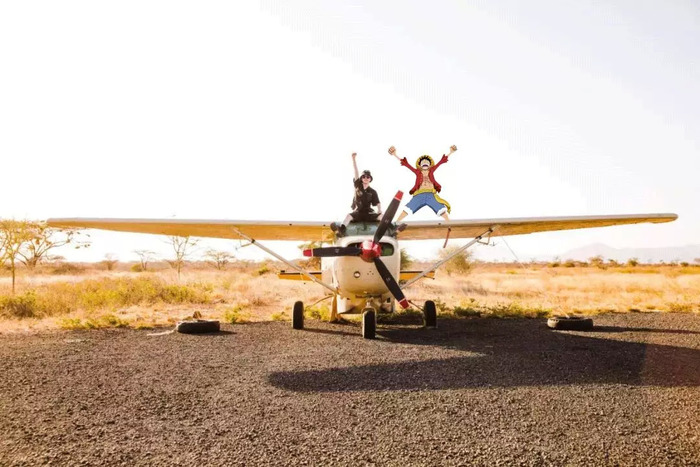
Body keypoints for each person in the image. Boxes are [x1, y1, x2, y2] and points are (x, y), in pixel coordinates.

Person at [388, 145, 457, 221]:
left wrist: (451, 152)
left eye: (427, 162)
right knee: (409, 207)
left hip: (431, 195)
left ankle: (449, 223)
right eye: (423, 162)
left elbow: (441, 161)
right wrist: (395, 154)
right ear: (419, 165)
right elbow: (406, 164)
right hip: (419, 194)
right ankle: (396, 222)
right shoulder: (417, 172)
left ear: (430, 164)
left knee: (440, 208)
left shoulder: (431, 170)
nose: (425, 162)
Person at [331, 152, 382, 235]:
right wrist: (353, 159)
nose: (366, 178)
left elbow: (377, 202)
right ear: (361, 178)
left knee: (381, 216)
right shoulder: (358, 186)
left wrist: (379, 209)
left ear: (370, 179)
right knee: (348, 216)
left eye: (368, 177)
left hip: (368, 213)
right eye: (364, 176)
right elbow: (356, 172)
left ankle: (391, 228)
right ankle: (341, 230)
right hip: (358, 212)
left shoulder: (373, 191)